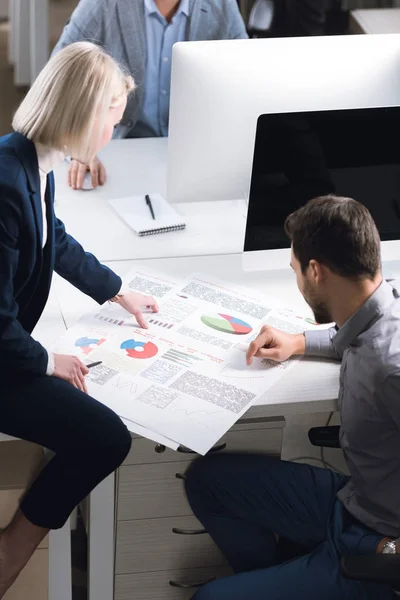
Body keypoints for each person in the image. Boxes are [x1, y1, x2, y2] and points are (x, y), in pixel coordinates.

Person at [0, 41, 159, 598]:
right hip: (4, 359)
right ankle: (14, 544)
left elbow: (53, 241)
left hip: (10, 347)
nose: (110, 135)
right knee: (105, 437)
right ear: (84, 114)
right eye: (111, 121)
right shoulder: (3, 181)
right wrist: (46, 361)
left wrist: (117, 291)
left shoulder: (31, 159)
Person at [185, 195, 399, 600]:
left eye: (295, 270)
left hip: (376, 548)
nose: (296, 281)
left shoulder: (392, 368)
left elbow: (380, 359)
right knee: (207, 481)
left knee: (208, 599)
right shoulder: (380, 311)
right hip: (353, 502)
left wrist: (389, 553)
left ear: (315, 271)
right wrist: (298, 341)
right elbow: (353, 339)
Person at [52, 0, 248, 190]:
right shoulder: (103, 4)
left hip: (193, 156)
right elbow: (58, 76)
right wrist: (80, 146)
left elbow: (246, 77)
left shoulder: (221, 4)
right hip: (119, 151)